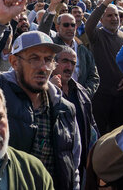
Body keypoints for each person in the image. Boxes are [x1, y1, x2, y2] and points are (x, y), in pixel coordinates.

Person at [0, 0, 81, 190]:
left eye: (48, 59)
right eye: (34, 58)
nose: (42, 66)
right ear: (14, 62)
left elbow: (72, 165)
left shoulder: (64, 109)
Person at [50, 47, 99, 181]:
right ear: (53, 63)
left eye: (73, 63)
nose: (69, 66)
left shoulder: (81, 91)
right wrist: (50, 89)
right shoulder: (43, 89)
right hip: (52, 163)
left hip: (77, 162)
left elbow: (91, 125)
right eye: (65, 61)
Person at [85, 0, 123, 135]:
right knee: (100, 134)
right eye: (109, 15)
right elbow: (89, 26)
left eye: (116, 15)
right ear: (102, 19)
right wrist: (105, 3)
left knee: (120, 135)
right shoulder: (97, 36)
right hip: (101, 96)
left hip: (122, 96)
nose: (114, 18)